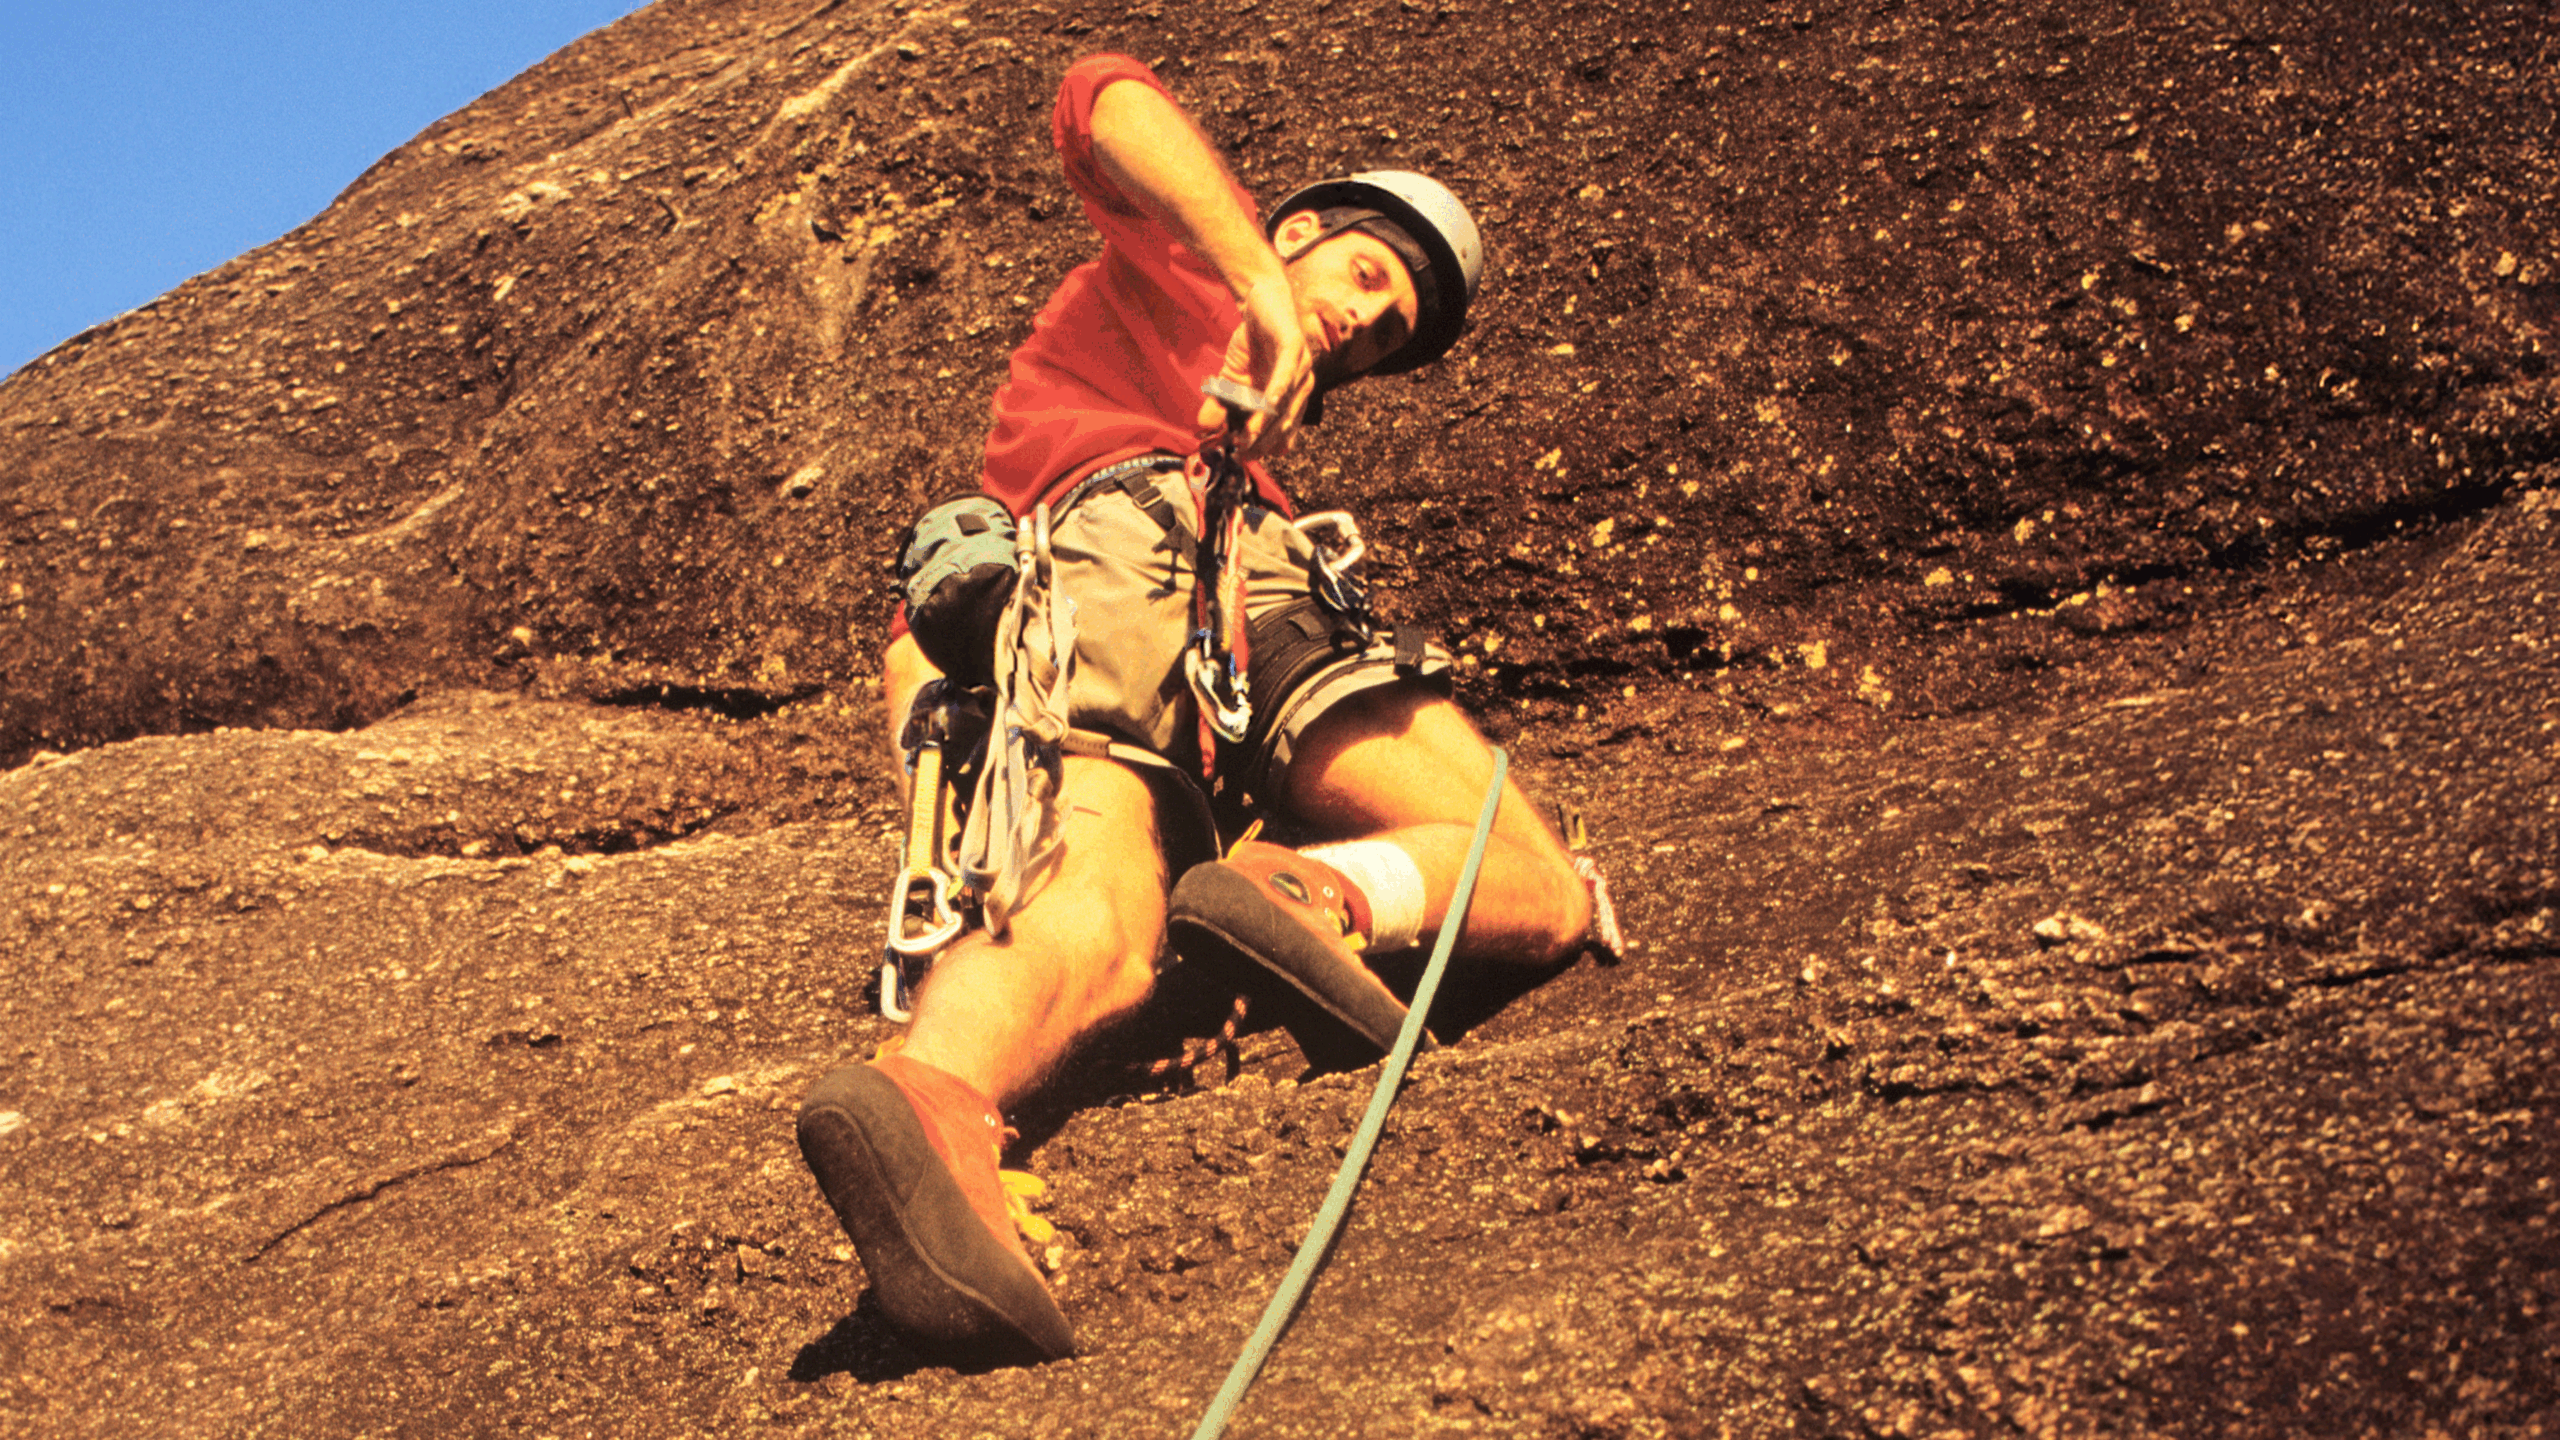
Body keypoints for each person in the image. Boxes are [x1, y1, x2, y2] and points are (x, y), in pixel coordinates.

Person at [796, 52, 1605, 1366]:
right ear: (1296, 232)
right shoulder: (1161, 283)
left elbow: (924, 656)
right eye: (1362, 275)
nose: (1364, 322)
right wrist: (1250, 288)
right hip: (1125, 557)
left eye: (1392, 327)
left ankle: (1287, 906)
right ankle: (935, 1104)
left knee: (1525, 882)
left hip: (1244, 599)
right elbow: (1100, 99)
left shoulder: (1262, 466)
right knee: (1101, 919)